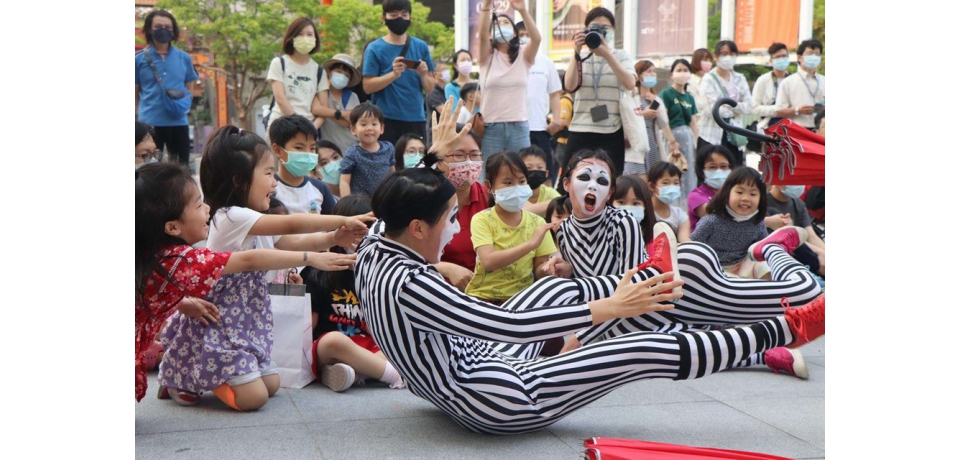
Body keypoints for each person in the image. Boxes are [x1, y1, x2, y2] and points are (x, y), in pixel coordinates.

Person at [353, 157, 826, 435]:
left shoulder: (377, 240)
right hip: (493, 393)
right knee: (644, 349)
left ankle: (655, 284)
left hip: (473, 357)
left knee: (563, 288)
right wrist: (611, 308)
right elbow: (505, 325)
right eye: (447, 219)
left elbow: (386, 209)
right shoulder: (410, 283)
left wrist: (434, 158)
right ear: (417, 228)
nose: (454, 227)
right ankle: (789, 326)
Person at [539, 149, 820, 382]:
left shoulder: (623, 222)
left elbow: (629, 294)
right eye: (584, 177)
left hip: (632, 312)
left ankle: (773, 254)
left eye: (601, 181)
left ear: (609, 189)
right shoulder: (564, 231)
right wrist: (567, 271)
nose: (592, 186)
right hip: (600, 316)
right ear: (566, 183)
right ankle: (764, 348)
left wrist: (580, 338)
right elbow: (590, 276)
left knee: (802, 291)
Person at [157, 127, 371, 411]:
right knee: (253, 398)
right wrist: (340, 222)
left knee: (271, 385)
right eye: (269, 174)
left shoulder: (253, 218)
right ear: (239, 179)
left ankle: (210, 372)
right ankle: (187, 372)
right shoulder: (231, 216)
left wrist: (333, 239)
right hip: (219, 321)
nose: (274, 183)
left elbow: (291, 241)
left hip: (245, 318)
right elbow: (292, 226)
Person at [306, 195, 407, 392]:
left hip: (374, 348)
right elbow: (309, 327)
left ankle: (351, 372)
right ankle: (391, 375)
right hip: (334, 347)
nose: (360, 238)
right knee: (334, 341)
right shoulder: (319, 272)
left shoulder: (385, 272)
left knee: (402, 342)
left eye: (366, 230)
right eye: (354, 230)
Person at [465, 151, 559, 304]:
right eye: (508, 183)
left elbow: (538, 269)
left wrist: (549, 268)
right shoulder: (482, 219)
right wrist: (530, 244)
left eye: (522, 181)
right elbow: (489, 261)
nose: (517, 188)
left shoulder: (537, 223)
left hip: (522, 301)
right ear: (489, 186)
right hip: (483, 299)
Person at [562, 7, 637, 176]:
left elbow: (630, 83)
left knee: (611, 181)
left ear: (612, 31)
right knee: (569, 181)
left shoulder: (620, 55)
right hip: (580, 129)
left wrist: (608, 55)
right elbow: (569, 85)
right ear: (586, 29)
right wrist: (576, 51)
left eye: (606, 28)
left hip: (610, 131)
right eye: (595, 27)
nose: (601, 31)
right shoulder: (580, 56)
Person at [477, 0, 540, 178]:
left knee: (520, 174)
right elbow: (481, 36)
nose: (502, 26)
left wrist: (523, 11)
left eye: (507, 23)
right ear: (491, 33)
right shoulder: (486, 55)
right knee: (489, 175)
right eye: (498, 24)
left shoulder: (524, 54)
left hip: (519, 126)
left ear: (514, 32)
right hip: (490, 127)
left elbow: (537, 39)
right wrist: (487, 5)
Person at [362, 0, 435, 145]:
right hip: (386, 119)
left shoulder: (421, 46)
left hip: (416, 118)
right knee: (389, 165)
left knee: (415, 164)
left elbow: (431, 87)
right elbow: (367, 86)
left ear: (410, 17)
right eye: (394, 14)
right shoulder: (374, 48)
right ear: (384, 18)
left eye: (404, 14)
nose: (400, 18)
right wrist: (393, 74)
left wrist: (423, 74)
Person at [135, 10, 199, 165]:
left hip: (178, 122)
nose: (163, 30)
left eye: (167, 27)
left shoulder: (184, 58)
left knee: (180, 169)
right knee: (148, 169)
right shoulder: (138, 60)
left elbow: (189, 87)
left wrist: (183, 105)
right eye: (158, 26)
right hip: (149, 123)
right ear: (149, 29)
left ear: (173, 30)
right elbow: (134, 93)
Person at [690, 167, 775, 280]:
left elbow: (761, 249)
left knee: (765, 265)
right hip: (715, 269)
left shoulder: (757, 223)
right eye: (739, 192)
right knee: (730, 282)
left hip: (743, 265)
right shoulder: (711, 221)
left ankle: (767, 292)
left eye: (753, 194)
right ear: (727, 193)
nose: (745, 198)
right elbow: (692, 246)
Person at [517, 20, 563, 186]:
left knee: (545, 173)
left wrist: (556, 121)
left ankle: (547, 208)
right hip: (517, 127)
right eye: (521, 35)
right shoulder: (511, 62)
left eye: (528, 35)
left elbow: (554, 94)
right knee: (519, 173)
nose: (524, 38)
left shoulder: (546, 62)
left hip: (540, 128)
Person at [265, 17, 328, 135]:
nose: (305, 38)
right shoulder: (279, 63)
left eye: (309, 34)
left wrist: (310, 130)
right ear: (291, 38)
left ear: (315, 39)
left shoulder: (319, 71)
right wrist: (299, 127)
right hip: (281, 126)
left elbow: (323, 110)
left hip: (307, 133)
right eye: (300, 34)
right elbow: (280, 98)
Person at [698, 40, 753, 167]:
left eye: (732, 54)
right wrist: (736, 108)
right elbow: (711, 110)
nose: (728, 57)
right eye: (724, 53)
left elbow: (750, 106)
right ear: (716, 57)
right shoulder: (708, 79)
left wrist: (726, 107)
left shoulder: (740, 78)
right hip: (712, 136)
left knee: (734, 173)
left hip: (734, 136)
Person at [268, 115, 338, 215]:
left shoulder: (320, 188)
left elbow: (333, 223)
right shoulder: (269, 190)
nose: (307, 154)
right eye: (299, 148)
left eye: (312, 148)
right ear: (278, 150)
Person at [659, 59, 700, 204]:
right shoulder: (666, 94)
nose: (682, 73)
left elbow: (693, 121)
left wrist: (697, 142)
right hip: (672, 136)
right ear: (672, 74)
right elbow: (663, 119)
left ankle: (687, 207)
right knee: (671, 171)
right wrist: (672, 141)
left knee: (687, 173)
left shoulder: (689, 97)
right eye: (679, 70)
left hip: (687, 137)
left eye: (685, 70)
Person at [628, 60, 679, 176]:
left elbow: (663, 122)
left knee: (653, 173)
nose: (652, 75)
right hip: (637, 140)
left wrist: (656, 102)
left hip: (652, 140)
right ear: (639, 76)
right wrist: (643, 114)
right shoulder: (632, 96)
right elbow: (628, 118)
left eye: (654, 72)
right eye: (649, 72)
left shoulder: (655, 99)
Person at [765, 184, 826, 279]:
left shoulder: (799, 204)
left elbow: (812, 237)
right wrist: (819, 252)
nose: (799, 185)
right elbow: (790, 239)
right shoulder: (764, 203)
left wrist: (824, 252)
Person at [340, 103, 396, 197]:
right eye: (363, 124)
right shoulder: (352, 153)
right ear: (353, 129)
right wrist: (347, 205)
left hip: (384, 199)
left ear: (382, 128)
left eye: (374, 124)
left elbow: (392, 171)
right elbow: (344, 181)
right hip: (361, 203)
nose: (369, 128)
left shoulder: (388, 148)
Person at [775, 39, 825, 130]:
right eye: (810, 54)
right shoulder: (788, 82)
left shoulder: (824, 80)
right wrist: (798, 110)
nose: (814, 57)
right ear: (799, 58)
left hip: (822, 130)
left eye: (817, 54)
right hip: (798, 129)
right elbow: (778, 111)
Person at [318, 54, 362, 153]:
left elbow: (349, 121)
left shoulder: (352, 96)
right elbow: (316, 109)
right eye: (339, 72)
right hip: (326, 150)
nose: (342, 76)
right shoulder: (321, 93)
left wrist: (324, 112)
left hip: (349, 147)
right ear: (329, 72)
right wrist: (341, 114)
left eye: (347, 75)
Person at [688, 144, 735, 232]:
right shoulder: (695, 196)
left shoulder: (735, 192)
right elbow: (714, 215)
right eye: (712, 167)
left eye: (723, 166)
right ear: (702, 172)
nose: (719, 171)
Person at [752, 42, 794, 131]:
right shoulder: (763, 80)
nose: (782, 59)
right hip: (768, 128)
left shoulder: (794, 80)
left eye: (784, 56)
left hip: (791, 127)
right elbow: (754, 108)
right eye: (778, 57)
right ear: (771, 61)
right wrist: (777, 111)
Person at [646, 162, 691, 243]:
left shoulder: (679, 214)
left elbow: (684, 240)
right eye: (665, 183)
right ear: (652, 186)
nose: (671, 187)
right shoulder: (644, 212)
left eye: (676, 183)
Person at [610, 174, 656, 247]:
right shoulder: (603, 236)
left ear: (646, 207)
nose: (628, 210)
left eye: (636, 203)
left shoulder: (655, 239)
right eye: (621, 202)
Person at [519, 146, 561, 217]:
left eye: (540, 167)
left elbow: (562, 206)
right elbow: (523, 212)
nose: (535, 171)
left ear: (546, 173)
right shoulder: (514, 192)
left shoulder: (549, 193)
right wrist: (553, 203)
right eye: (528, 168)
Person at [688, 48, 714, 121]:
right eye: (705, 60)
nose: (708, 63)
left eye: (710, 61)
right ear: (696, 61)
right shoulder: (689, 82)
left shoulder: (711, 82)